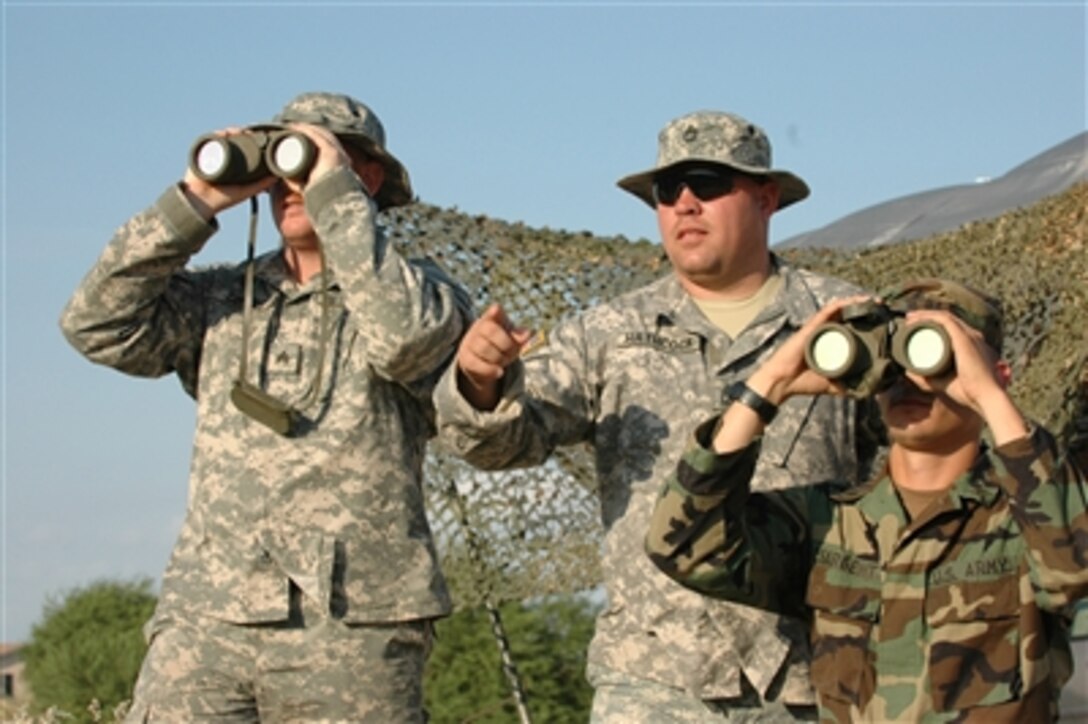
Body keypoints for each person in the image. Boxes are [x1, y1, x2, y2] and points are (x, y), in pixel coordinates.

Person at [434, 110, 882, 721]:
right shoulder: (608, 335)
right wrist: (479, 381)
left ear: (766, 198)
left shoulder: (842, 325)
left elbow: (920, 466)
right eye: (668, 191)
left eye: (709, 183)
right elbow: (499, 442)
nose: (686, 203)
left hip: (810, 678)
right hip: (653, 683)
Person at [60, 92, 473, 722]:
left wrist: (333, 195)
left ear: (366, 177)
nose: (290, 183)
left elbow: (405, 339)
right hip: (210, 614)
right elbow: (94, 324)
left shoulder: (425, 295)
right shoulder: (224, 298)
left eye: (310, 160)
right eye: (282, 164)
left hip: (354, 625)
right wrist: (195, 201)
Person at [646, 278, 1088, 722]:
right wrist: (769, 385)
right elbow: (684, 544)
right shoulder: (828, 522)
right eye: (891, 362)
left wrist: (989, 395)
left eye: (935, 356)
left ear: (998, 372)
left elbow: (1074, 569)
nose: (908, 381)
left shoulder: (1027, 516)